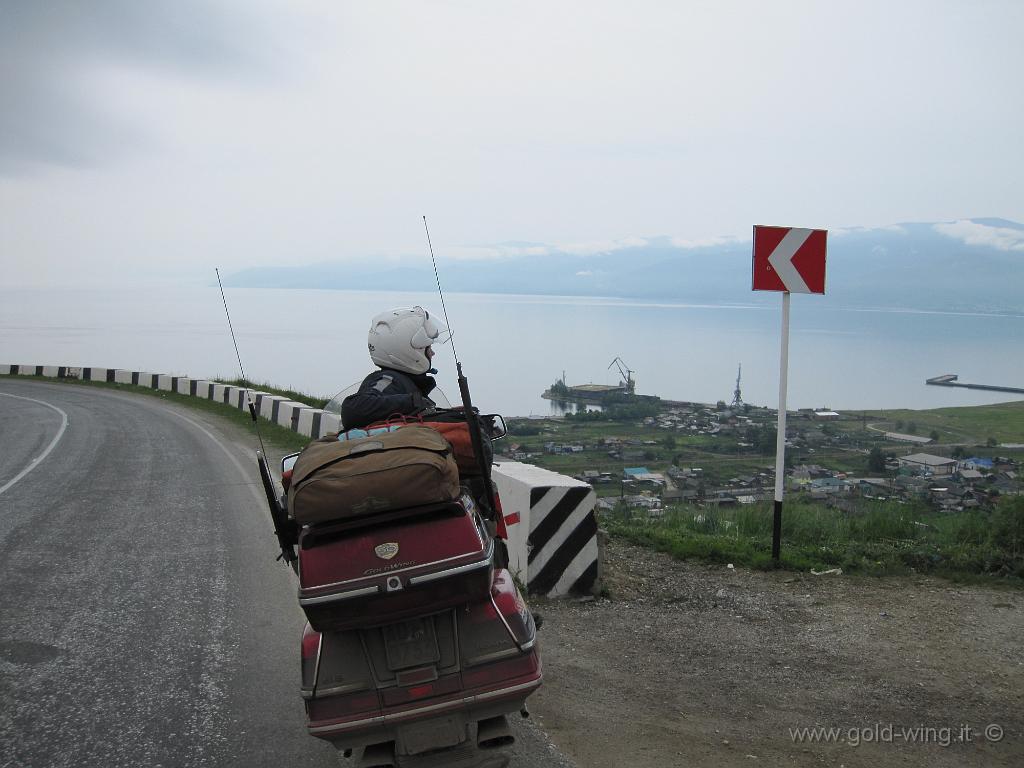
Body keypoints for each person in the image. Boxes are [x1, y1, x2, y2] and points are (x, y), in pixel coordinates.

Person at [341, 306, 443, 431]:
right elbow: (354, 410)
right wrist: (414, 402)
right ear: (409, 351)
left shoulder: (406, 381)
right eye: (428, 348)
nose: (432, 354)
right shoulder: (388, 380)